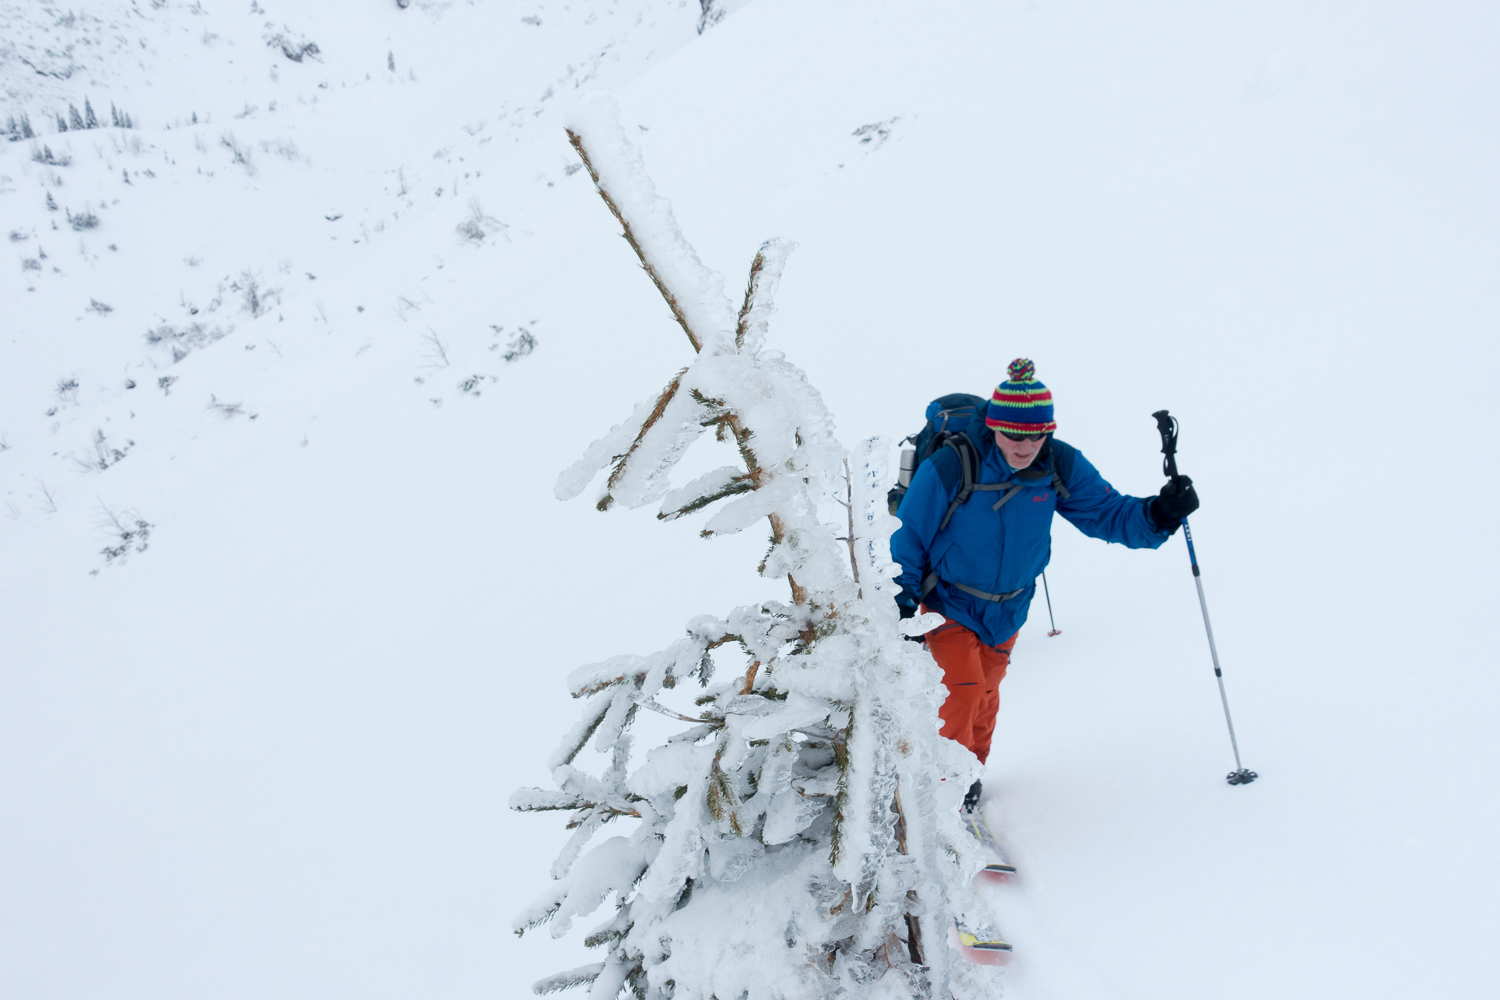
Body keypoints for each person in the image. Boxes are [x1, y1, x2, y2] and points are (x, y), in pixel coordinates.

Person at [891, 359, 1199, 811]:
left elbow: (1106, 513)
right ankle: (939, 793)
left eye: (1035, 435)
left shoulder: (1058, 462)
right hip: (947, 601)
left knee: (987, 696)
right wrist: (900, 596)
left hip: (1010, 608)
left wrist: (1159, 515)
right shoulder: (953, 463)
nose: (1025, 446)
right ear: (995, 426)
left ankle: (969, 777)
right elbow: (910, 533)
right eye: (1014, 435)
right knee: (961, 692)